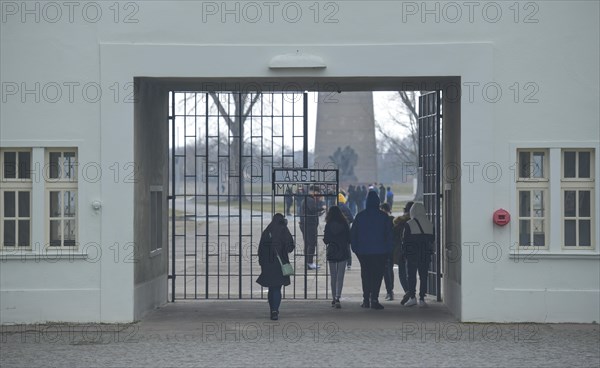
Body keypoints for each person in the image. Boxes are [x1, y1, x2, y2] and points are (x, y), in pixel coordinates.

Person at [350, 191, 393, 310]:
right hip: (380, 252)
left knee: (366, 275)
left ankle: (365, 299)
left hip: (363, 252)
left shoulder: (360, 216)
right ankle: (374, 299)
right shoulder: (384, 217)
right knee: (377, 276)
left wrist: (355, 249)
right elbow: (389, 235)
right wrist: (388, 250)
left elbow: (353, 234)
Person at [256, 213, 295, 320]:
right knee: (277, 288)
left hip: (268, 263)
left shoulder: (267, 231)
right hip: (280, 263)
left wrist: (262, 262)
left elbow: (260, 250)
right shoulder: (284, 230)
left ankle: (272, 309)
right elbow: (290, 247)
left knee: (271, 288)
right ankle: (275, 310)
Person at [402, 202, 435, 307]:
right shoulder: (430, 224)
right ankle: (422, 298)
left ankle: (412, 297)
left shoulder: (409, 224)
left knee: (411, 276)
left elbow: (405, 240)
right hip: (425, 254)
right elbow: (432, 240)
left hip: (412, 254)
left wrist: (405, 254)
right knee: (423, 276)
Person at [322, 206, 351, 309]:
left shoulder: (328, 225)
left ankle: (334, 298)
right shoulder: (345, 224)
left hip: (332, 251)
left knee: (333, 276)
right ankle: (338, 296)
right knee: (340, 276)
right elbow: (349, 238)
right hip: (342, 251)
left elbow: (326, 240)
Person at [392, 201, 414, 305]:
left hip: (401, 251)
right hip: (413, 250)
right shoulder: (416, 222)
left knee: (402, 273)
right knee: (412, 273)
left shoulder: (399, 222)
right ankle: (411, 292)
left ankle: (407, 291)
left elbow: (393, 236)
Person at [299, 185, 325, 270]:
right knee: (311, 243)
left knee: (307, 244)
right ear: (314, 192)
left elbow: (311, 212)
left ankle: (308, 262)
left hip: (306, 224)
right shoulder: (310, 199)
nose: (318, 195)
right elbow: (313, 209)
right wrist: (322, 207)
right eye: (317, 193)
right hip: (309, 225)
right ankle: (310, 263)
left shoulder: (306, 199)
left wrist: (320, 212)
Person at [380, 203, 395, 301]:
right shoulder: (393, 220)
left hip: (382, 248)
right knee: (389, 270)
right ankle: (390, 291)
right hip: (391, 248)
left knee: (384, 271)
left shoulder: (381, 220)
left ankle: (389, 291)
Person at [337, 193, 354, 270]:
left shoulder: (335, 208)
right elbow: (351, 218)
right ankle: (349, 264)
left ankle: (339, 262)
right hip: (346, 230)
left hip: (337, 230)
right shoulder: (347, 208)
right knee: (347, 247)